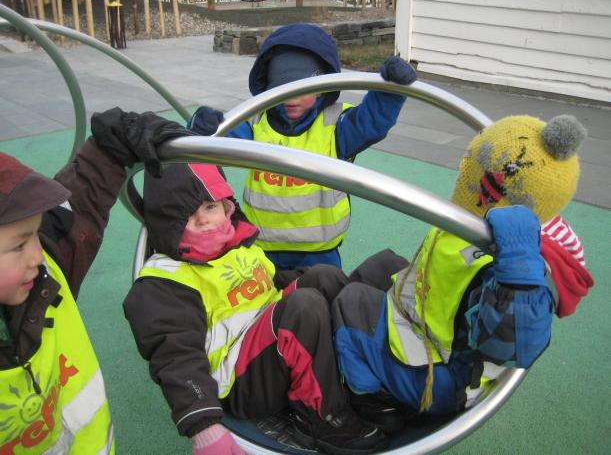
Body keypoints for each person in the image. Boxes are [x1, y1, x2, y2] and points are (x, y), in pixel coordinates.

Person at [330, 115, 595, 433]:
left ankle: (376, 401)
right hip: (434, 328)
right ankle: (354, 345)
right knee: (381, 266)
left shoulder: (516, 261)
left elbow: (514, 341)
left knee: (351, 302)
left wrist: (519, 265)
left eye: (473, 160)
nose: (464, 163)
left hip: (446, 378)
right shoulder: (481, 220)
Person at [120, 147, 389, 454]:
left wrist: (314, 279)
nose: (204, 220)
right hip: (239, 380)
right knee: (304, 308)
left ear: (226, 206)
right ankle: (321, 419)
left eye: (209, 207)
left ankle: (364, 380)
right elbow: (174, 355)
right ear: (167, 224)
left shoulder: (236, 246)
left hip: (269, 339)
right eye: (187, 217)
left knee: (324, 276)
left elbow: (271, 284)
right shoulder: (166, 281)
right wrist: (202, 426)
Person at [0, 107, 195, 454]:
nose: (38, 256)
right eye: (18, 245)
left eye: (34, 236)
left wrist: (116, 137)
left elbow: (77, 205)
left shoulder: (44, 273)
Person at [188, 23, 418, 273]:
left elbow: (371, 122)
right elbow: (216, 142)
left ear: (321, 89)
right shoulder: (256, 123)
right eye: (282, 88)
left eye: (302, 89)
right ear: (268, 88)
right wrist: (203, 125)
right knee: (263, 305)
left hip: (319, 251)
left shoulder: (335, 126)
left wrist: (389, 93)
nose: (292, 98)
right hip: (263, 247)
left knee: (321, 302)